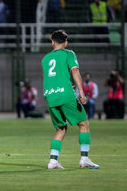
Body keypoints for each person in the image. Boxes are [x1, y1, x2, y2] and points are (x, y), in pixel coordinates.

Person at [42, 30, 99, 169]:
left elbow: (54, 77)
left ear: (52, 42)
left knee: (61, 129)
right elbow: (75, 71)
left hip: (50, 96)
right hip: (65, 95)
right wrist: (81, 92)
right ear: (66, 43)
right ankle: (84, 159)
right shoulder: (69, 53)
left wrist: (66, 83)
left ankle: (53, 162)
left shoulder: (45, 58)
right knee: (84, 124)